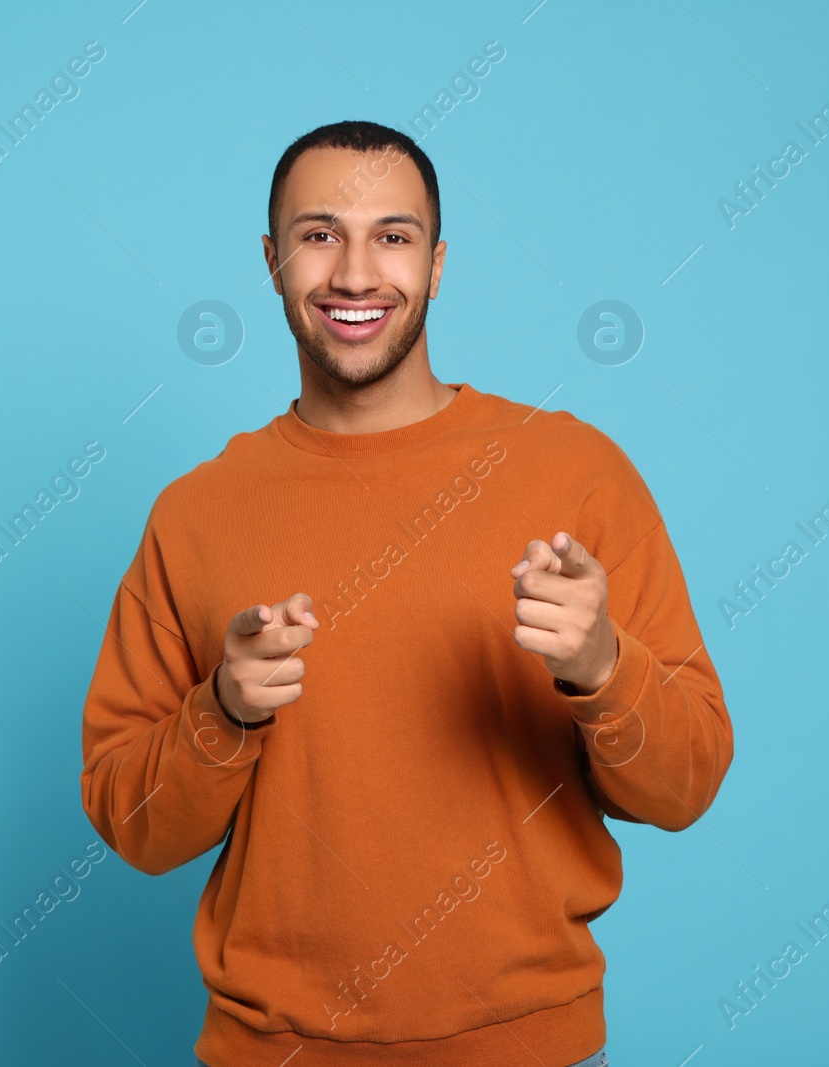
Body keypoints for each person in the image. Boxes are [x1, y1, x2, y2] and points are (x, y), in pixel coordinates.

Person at [79, 119, 733, 1067]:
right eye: (317, 235)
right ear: (270, 261)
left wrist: (602, 667)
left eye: (392, 236)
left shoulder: (575, 474)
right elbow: (133, 826)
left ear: (437, 263)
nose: (353, 274)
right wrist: (221, 712)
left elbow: (687, 786)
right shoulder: (195, 515)